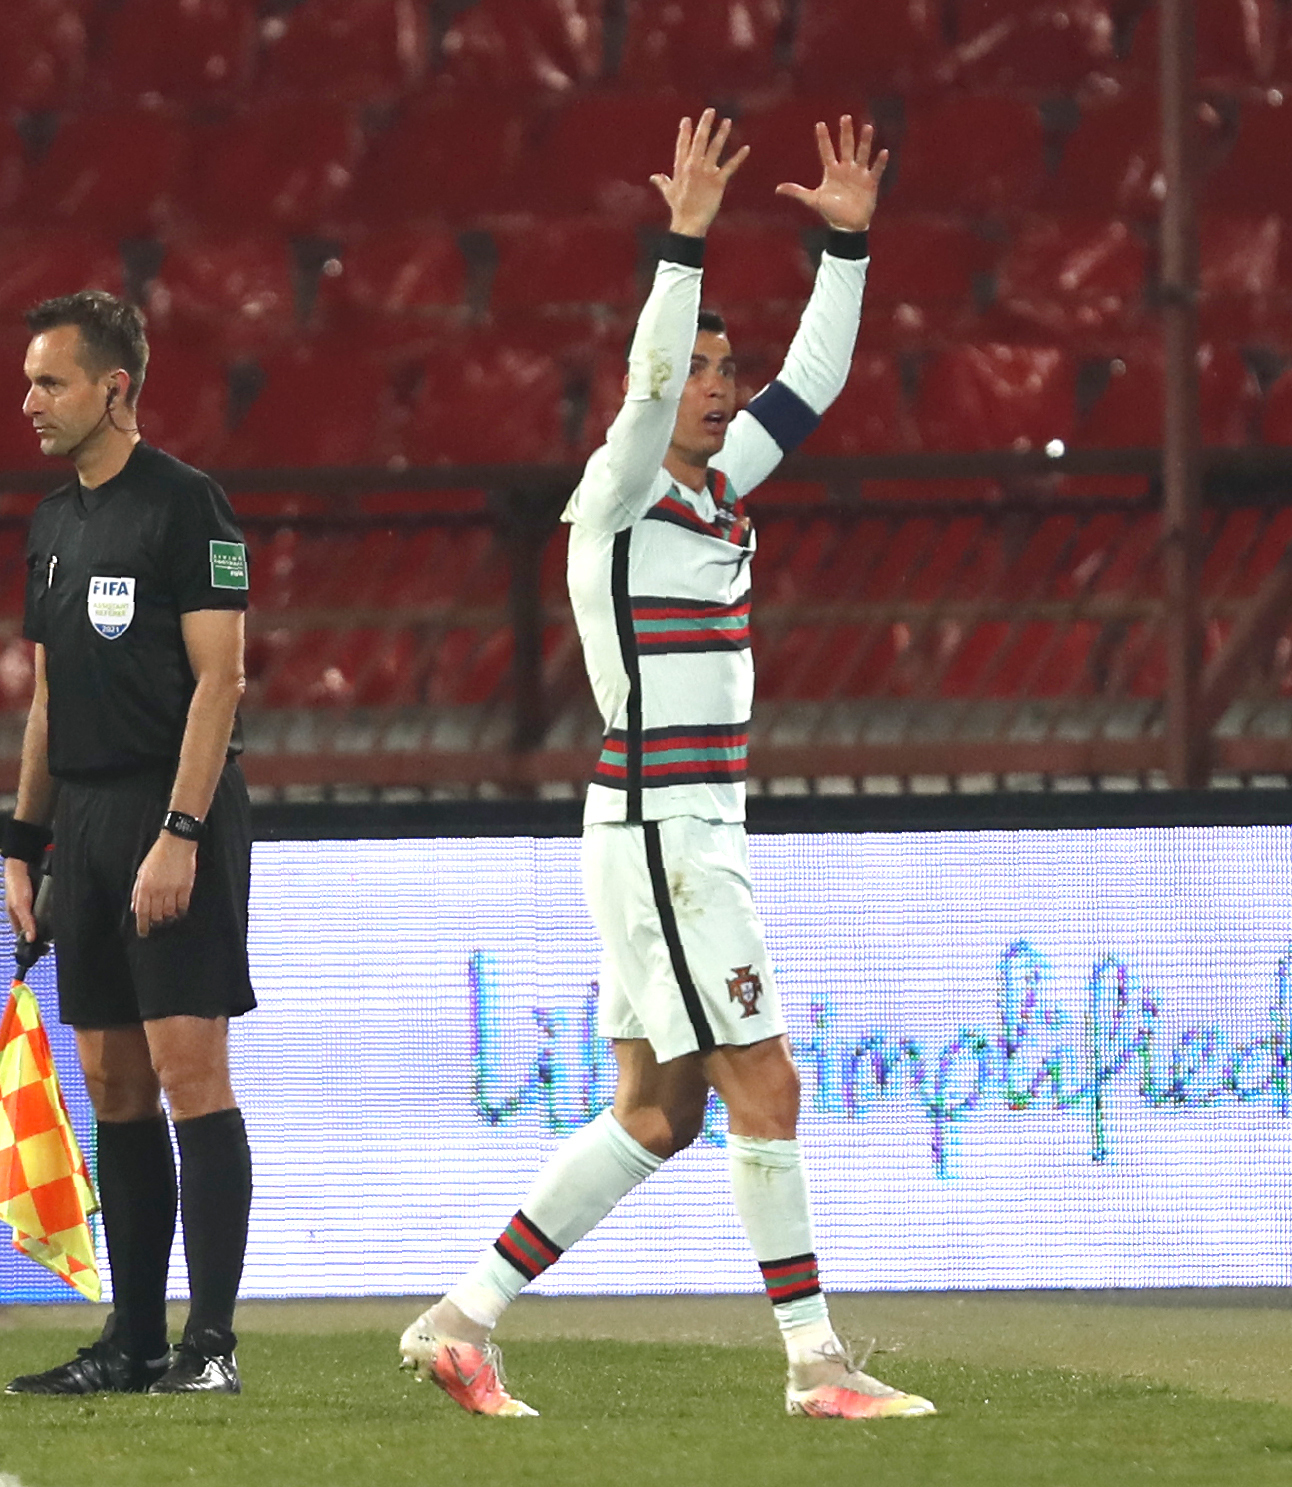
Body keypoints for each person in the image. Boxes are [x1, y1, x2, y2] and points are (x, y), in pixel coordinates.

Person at [400, 112, 934, 1421]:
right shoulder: (623, 487)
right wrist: (681, 240)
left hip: (671, 824)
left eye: (721, 368)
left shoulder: (716, 487)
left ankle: (460, 1317)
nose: (713, 383)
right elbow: (645, 384)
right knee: (768, 1082)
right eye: (696, 366)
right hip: (666, 830)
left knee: (656, 1109)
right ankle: (815, 1362)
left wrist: (847, 244)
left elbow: (811, 381)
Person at [0, 290, 255, 1397]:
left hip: (172, 805)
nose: (30, 403)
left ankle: (212, 1343)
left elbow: (222, 678)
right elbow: (47, 702)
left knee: (189, 1068)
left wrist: (180, 832)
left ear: (116, 388)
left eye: (50, 382)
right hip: (88, 821)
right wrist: (25, 842)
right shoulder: (51, 527)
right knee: (109, 1078)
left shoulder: (188, 505)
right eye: (28, 383)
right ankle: (133, 1337)